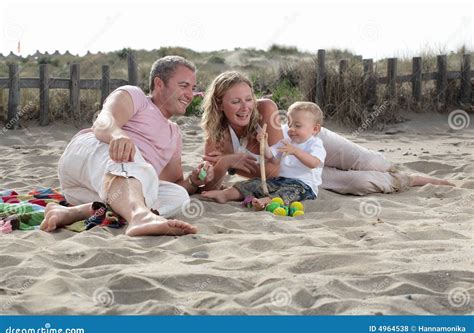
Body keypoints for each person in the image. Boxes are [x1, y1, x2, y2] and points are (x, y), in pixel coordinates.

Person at [200, 71, 453, 196]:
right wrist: (227, 162)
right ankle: (409, 180)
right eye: (235, 102)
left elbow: (273, 169)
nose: (245, 107)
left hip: (307, 140)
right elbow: (208, 184)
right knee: (359, 183)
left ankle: (402, 171)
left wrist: (233, 166)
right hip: (297, 175)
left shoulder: (265, 108)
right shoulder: (216, 134)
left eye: (248, 99)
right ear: (219, 103)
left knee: (370, 162)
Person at [40, 56, 215, 236]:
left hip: (95, 192)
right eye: (184, 86)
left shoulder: (174, 133)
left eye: (193, 89)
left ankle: (75, 212)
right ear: (159, 83)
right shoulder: (136, 96)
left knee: (178, 195)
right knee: (130, 154)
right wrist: (118, 135)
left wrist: (194, 181)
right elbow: (103, 121)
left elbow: (170, 183)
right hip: (86, 158)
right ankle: (140, 216)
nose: (189, 94)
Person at [202, 101, 326, 211]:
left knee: (288, 193)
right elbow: (271, 158)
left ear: (315, 129)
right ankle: (225, 195)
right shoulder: (287, 140)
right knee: (253, 184)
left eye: (297, 126)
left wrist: (296, 151)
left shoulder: (315, 144)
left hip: (303, 185)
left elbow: (314, 163)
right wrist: (264, 143)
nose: (291, 129)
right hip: (279, 180)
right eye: (289, 124)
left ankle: (265, 202)